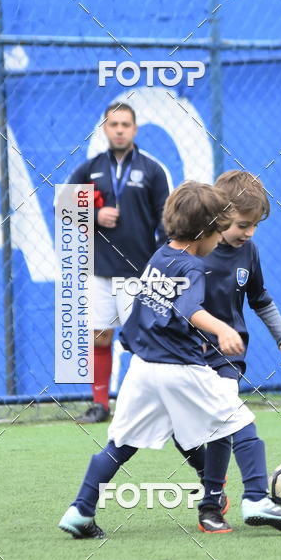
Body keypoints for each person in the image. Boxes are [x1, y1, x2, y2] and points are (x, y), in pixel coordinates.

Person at [58, 182, 260, 539]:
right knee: (239, 421)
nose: (219, 241)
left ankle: (80, 510)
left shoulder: (159, 256)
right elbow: (188, 307)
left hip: (141, 369)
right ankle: (258, 499)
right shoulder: (194, 268)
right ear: (204, 234)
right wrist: (223, 330)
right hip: (178, 368)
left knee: (119, 445)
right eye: (217, 232)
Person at [195, 170, 281, 533]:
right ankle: (83, 506)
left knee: (229, 426)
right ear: (220, 216)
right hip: (189, 360)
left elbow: (261, 300)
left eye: (255, 225)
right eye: (243, 224)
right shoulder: (194, 252)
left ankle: (233, 503)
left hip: (227, 362)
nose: (250, 233)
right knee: (208, 432)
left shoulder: (250, 252)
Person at [67, 102, 170, 424]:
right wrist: (95, 215)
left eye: (126, 124)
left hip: (138, 270)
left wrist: (159, 263)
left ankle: (148, 406)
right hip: (99, 269)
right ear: (105, 129)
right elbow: (63, 207)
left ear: (135, 129)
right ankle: (100, 404)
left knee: (142, 340)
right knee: (100, 336)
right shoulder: (90, 168)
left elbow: (166, 221)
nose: (120, 129)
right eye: (114, 124)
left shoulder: (152, 170)